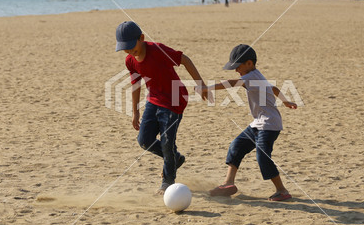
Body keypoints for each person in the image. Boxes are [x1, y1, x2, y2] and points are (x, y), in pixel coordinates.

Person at [115, 21, 211, 194]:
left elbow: (184, 59)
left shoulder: (158, 50)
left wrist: (201, 84)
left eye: (131, 47)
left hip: (175, 99)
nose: (129, 52)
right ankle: (175, 159)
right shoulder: (130, 60)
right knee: (144, 140)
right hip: (153, 100)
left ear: (142, 38)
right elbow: (135, 85)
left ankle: (168, 180)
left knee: (167, 141)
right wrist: (135, 112)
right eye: (125, 49)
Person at [199, 44, 298, 201]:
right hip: (259, 123)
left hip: (269, 125)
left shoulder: (251, 77)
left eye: (238, 66)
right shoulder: (257, 75)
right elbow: (273, 88)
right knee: (236, 146)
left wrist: (207, 88)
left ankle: (282, 190)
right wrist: (285, 101)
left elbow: (232, 83)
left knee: (263, 156)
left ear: (249, 63)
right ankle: (228, 183)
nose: (236, 70)